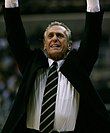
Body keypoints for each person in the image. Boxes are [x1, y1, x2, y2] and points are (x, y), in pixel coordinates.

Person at [2, 0, 110, 133]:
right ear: (45, 45)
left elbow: (92, 37)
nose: (55, 39)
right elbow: (15, 35)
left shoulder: (78, 67)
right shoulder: (32, 64)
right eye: (50, 36)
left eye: (60, 36)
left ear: (69, 45)